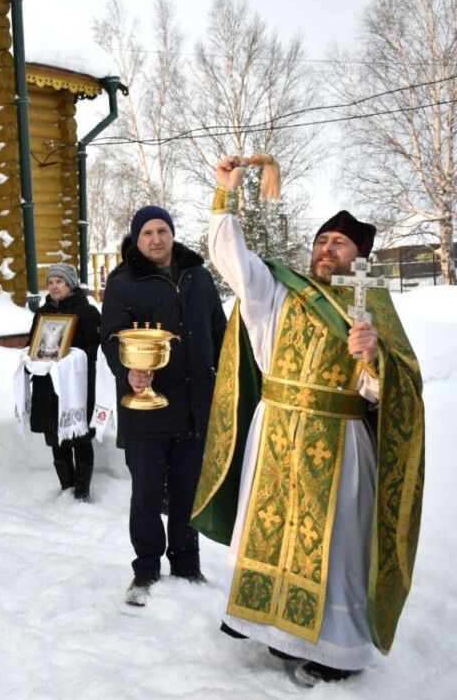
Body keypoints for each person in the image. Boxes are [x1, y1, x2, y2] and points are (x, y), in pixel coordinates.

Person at [193, 157, 424, 686]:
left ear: (359, 255)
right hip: (274, 432)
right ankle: (275, 629)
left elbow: (396, 393)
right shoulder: (279, 291)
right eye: (322, 240)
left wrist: (376, 358)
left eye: (339, 244)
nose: (326, 249)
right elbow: (230, 256)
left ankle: (336, 650)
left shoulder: (375, 310)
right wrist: (226, 192)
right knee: (270, 534)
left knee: (336, 545)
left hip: (340, 443)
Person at [100, 205, 227, 606]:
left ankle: (188, 566)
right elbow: (111, 340)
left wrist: (223, 379)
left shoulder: (199, 277)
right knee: (148, 494)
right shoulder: (124, 282)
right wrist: (129, 373)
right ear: (136, 240)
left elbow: (218, 331)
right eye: (147, 234)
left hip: (194, 405)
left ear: (172, 233)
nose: (156, 239)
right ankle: (146, 569)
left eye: (162, 231)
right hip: (146, 407)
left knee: (188, 492)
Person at [26, 263, 100, 500]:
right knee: (55, 436)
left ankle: (82, 491)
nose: (54, 286)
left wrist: (72, 358)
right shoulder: (42, 313)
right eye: (50, 282)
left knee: (79, 435)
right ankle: (66, 487)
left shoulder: (86, 312)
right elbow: (34, 344)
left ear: (70, 284)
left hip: (75, 386)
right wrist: (31, 359)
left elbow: (96, 348)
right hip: (47, 386)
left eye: (59, 281)